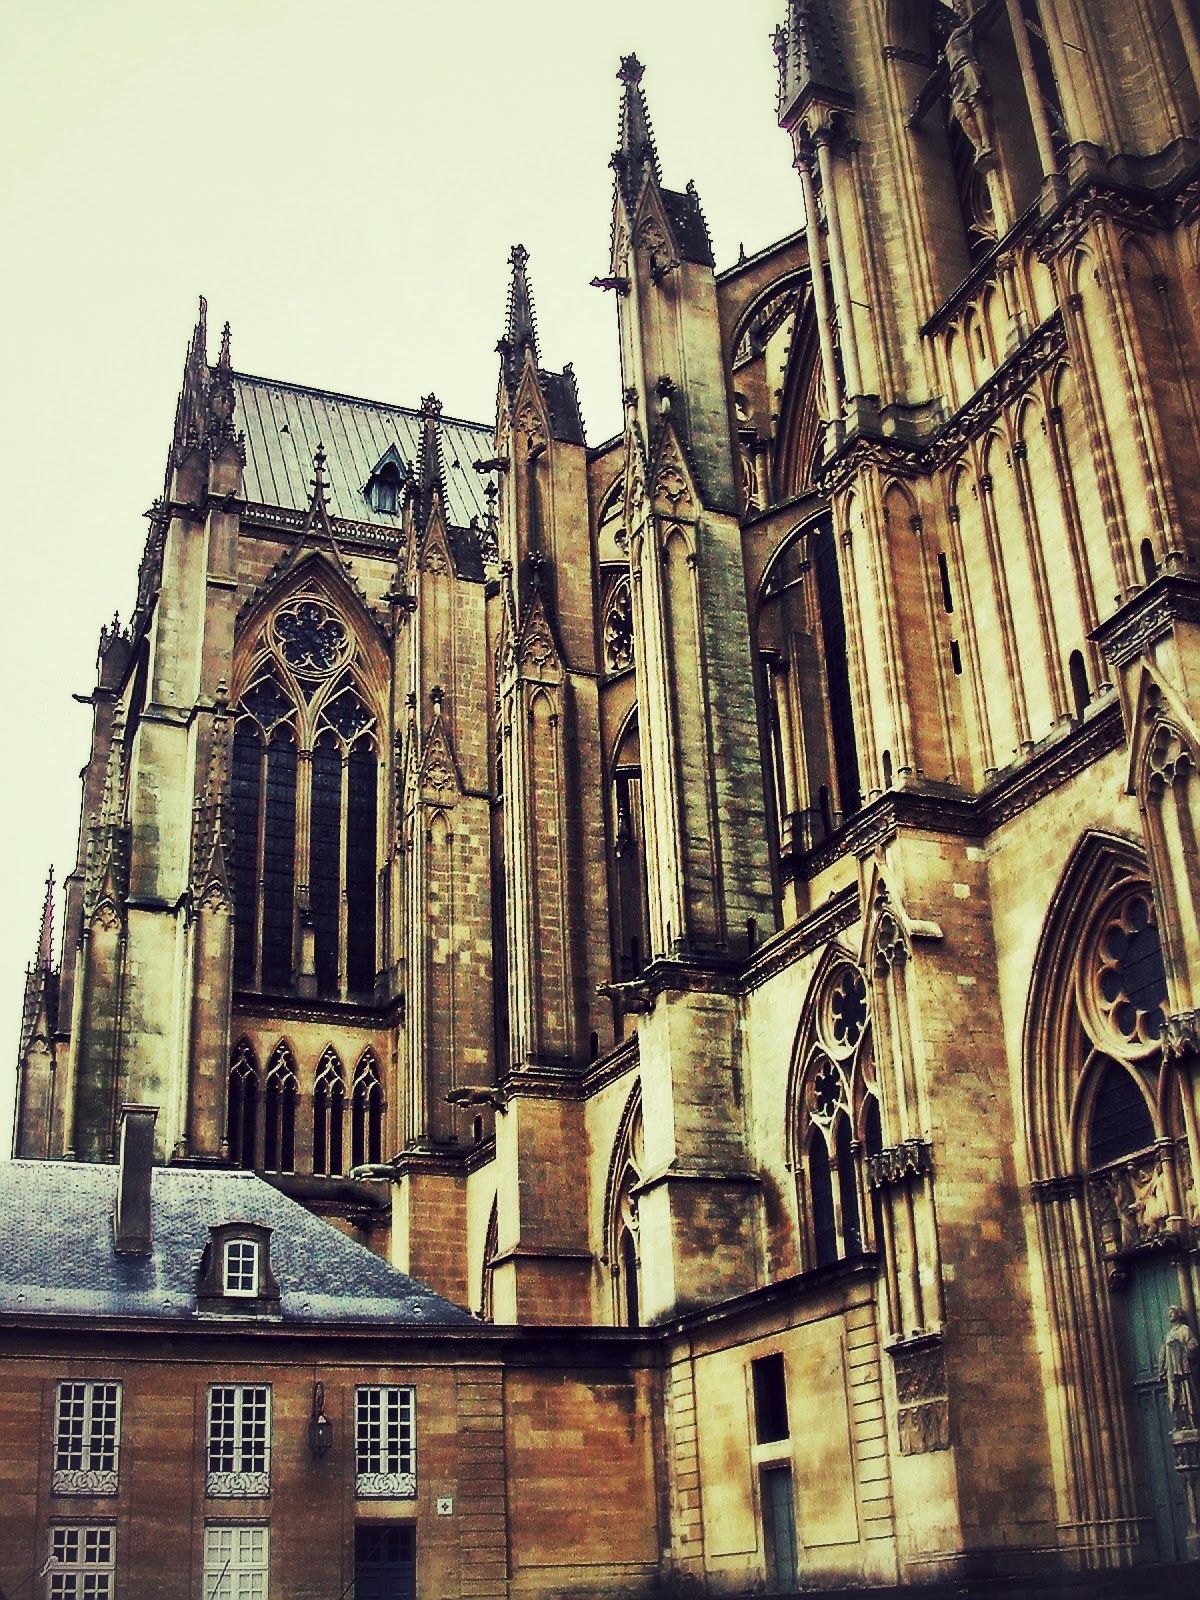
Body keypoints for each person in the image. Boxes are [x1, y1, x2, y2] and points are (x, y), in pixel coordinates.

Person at [1160, 1305, 1200, 1430]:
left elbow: (1193, 1344)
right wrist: (1162, 1370)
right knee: (1174, 1397)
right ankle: (1178, 1423)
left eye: (1173, 1312)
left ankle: (1190, 1423)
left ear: (1179, 1314)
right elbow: (1165, 1354)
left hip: (1183, 1370)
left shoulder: (1184, 1330)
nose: (1170, 1314)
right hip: (1172, 1371)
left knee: (1186, 1395)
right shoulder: (1168, 1334)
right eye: (1169, 1312)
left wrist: (1182, 1347)